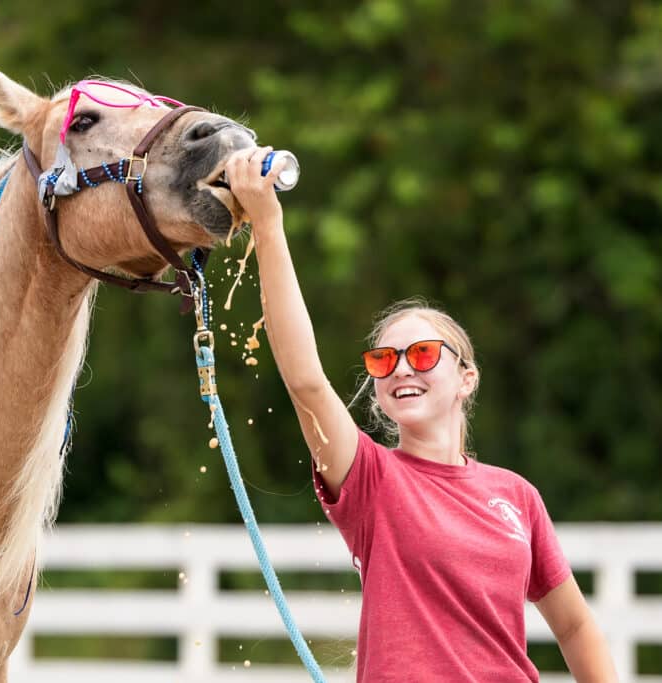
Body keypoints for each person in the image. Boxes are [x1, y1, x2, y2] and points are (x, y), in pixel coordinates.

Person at [225, 147, 619, 682]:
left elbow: (574, 627)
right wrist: (268, 227)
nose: (402, 369)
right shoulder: (371, 480)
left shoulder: (517, 497)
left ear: (467, 378)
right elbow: (305, 381)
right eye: (384, 360)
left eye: (424, 354)